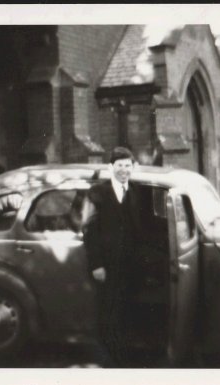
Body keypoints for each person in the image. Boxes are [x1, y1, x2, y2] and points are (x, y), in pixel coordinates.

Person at [82, 146, 143, 367]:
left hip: (130, 264)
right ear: (111, 167)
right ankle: (107, 358)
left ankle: (124, 353)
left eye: (128, 165)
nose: (124, 170)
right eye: (120, 166)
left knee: (126, 308)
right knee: (108, 309)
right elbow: (89, 230)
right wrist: (97, 265)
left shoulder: (135, 191)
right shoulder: (98, 192)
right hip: (107, 265)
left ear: (132, 167)